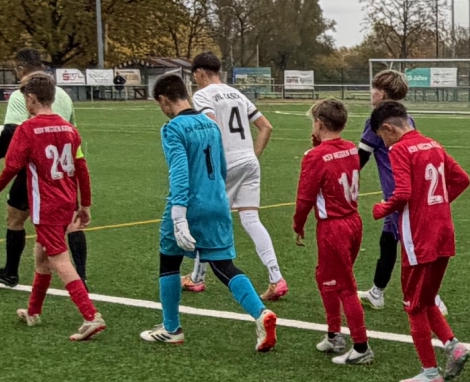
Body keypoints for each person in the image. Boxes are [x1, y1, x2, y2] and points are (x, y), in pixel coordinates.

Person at [139, 73, 279, 351]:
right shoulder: (211, 124)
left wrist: (179, 217)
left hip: (188, 205)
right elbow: (223, 167)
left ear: (164, 100)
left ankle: (171, 328)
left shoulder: (173, 128)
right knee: (224, 265)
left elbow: (180, 174)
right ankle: (261, 313)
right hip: (217, 202)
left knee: (169, 262)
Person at [0, 73, 105, 341]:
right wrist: (85, 203)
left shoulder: (27, 129)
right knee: (41, 255)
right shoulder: (69, 129)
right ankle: (33, 311)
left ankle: (91, 316)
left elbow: (12, 166)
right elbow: (82, 168)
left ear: (31, 98)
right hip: (67, 201)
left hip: (46, 205)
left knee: (58, 259)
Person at [367, 101, 470, 382]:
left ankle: (430, 373)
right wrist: (437, 203)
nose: (384, 143)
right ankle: (453, 345)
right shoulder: (433, 144)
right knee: (427, 298)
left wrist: (382, 208)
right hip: (443, 231)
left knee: (413, 305)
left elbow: (402, 193)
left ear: (388, 128)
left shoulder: (399, 149)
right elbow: (462, 179)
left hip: (419, 236)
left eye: (382, 136)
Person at [180, 52, 289, 302]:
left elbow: (212, 128)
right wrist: (252, 155)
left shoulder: (203, 95)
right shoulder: (237, 94)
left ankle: (197, 278)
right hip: (249, 162)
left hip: (226, 164)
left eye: (195, 76)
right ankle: (276, 278)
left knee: (206, 218)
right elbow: (266, 126)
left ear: (200, 73)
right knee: (251, 219)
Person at [0, 48, 87, 287]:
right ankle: (81, 276)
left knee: (15, 219)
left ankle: (10, 272)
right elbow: (72, 131)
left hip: (34, 169)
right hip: (62, 167)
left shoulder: (22, 94)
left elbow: (12, 131)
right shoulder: (62, 94)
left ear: (20, 68)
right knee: (72, 222)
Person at [293, 98, 372, 365]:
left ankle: (361, 346)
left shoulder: (315, 157)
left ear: (319, 123)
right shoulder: (350, 148)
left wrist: (298, 224)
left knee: (345, 285)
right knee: (325, 277)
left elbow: (305, 197)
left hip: (333, 227)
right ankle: (334, 333)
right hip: (353, 221)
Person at [359, 70, 410, 310]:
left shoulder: (377, 121)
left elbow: (360, 158)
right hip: (404, 189)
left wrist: (338, 174)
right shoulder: (406, 119)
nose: (371, 93)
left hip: (398, 192)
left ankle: (431, 298)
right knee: (388, 240)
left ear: (384, 94)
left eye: (375, 89)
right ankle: (377, 291)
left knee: (410, 245)